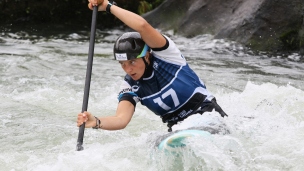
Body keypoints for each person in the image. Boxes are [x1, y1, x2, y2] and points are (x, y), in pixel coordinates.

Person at [77, 0, 228, 132]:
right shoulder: (130, 85)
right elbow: (121, 119)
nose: (128, 69)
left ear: (147, 56)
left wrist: (108, 6)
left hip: (209, 115)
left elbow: (142, 26)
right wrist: (96, 122)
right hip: (178, 130)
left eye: (132, 62)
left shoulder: (167, 55)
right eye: (122, 64)